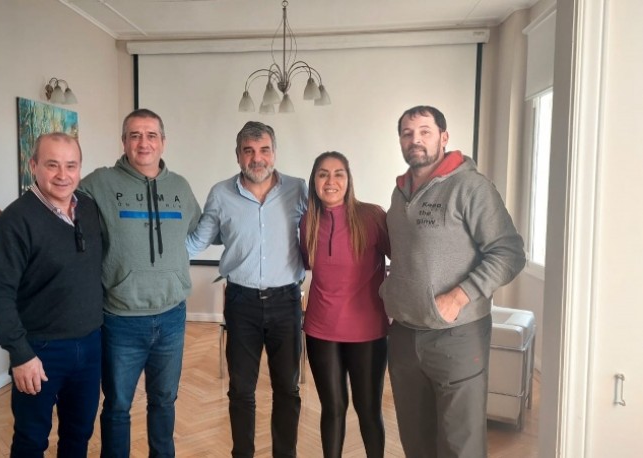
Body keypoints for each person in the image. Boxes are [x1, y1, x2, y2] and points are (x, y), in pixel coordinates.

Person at [379, 105, 526, 457]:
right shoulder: (400, 194)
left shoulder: (471, 187)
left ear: (443, 137)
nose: (416, 140)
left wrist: (460, 295)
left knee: (461, 444)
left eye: (425, 131)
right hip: (404, 334)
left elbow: (509, 253)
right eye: (407, 133)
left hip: (457, 335)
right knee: (417, 441)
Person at [79, 108, 201, 458]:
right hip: (120, 319)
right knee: (117, 405)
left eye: (150, 135)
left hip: (172, 316)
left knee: (164, 401)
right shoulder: (99, 183)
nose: (143, 143)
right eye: (135, 135)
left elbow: (196, 229)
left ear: (163, 142)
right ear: (124, 142)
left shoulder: (180, 187)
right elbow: (58, 204)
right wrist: (8, 220)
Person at [187, 121, 307, 458]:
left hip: (286, 301)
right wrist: (154, 256)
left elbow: (324, 234)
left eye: (264, 150)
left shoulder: (299, 189)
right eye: (249, 151)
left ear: (274, 153)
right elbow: (197, 241)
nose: (258, 158)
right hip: (241, 303)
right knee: (241, 391)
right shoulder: (220, 193)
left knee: (287, 388)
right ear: (238, 155)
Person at [0, 132, 104, 457]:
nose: (63, 175)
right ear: (33, 165)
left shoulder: (89, 208)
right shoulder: (15, 221)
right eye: (52, 165)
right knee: (31, 440)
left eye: (71, 165)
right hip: (40, 351)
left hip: (90, 346)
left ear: (80, 169)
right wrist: (20, 354)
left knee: (79, 435)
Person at [299, 151, 390, 458]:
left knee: (368, 410)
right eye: (323, 174)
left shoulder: (373, 216)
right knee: (333, 409)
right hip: (321, 330)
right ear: (314, 181)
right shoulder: (307, 222)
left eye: (338, 173)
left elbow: (404, 261)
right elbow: (307, 264)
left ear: (349, 180)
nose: (331, 180)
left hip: (368, 331)